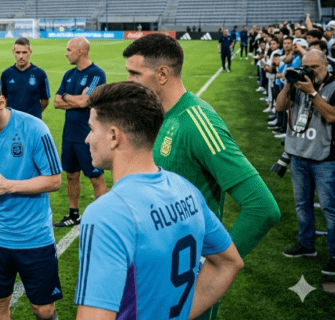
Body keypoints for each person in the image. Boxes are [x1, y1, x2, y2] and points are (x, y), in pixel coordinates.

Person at [123, 33, 280, 320]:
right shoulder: (157, 117)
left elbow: (262, 208)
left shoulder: (197, 122)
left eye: (135, 73)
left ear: (162, 74)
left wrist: (213, 264)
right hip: (153, 269)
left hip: (183, 278)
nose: (128, 80)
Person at [76, 81, 243, 320]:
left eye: (92, 128)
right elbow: (229, 263)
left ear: (114, 136)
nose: (87, 139)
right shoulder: (185, 188)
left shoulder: (106, 214)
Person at [0, 73, 63, 320]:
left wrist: (7, 186)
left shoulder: (34, 129)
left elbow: (54, 180)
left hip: (35, 238)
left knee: (43, 309)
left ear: (1, 102)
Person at [276, 49, 335, 276]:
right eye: (306, 67)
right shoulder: (298, 84)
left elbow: (331, 115)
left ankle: (334, 255)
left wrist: (312, 92)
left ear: (327, 65)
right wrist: (289, 85)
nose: (309, 72)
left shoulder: (332, 86)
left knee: (330, 209)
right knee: (302, 204)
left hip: (324, 158)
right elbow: (280, 107)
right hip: (298, 155)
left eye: (315, 68)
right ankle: (306, 244)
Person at [52, 37, 107, 228]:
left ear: (81, 51)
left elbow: (86, 102)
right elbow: (57, 102)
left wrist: (69, 97)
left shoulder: (97, 75)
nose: (66, 53)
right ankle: (73, 214)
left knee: (95, 177)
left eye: (69, 50)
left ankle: (103, 218)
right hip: (69, 135)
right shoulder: (69, 74)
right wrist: (73, 98)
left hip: (87, 136)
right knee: (71, 175)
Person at [0, 37, 50, 119]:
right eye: (18, 52)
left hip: (33, 121)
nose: (21, 56)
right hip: (13, 120)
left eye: (24, 52)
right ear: (13, 53)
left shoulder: (40, 74)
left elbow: (45, 101)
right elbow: (3, 99)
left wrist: (33, 114)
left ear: (30, 52)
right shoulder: (6, 74)